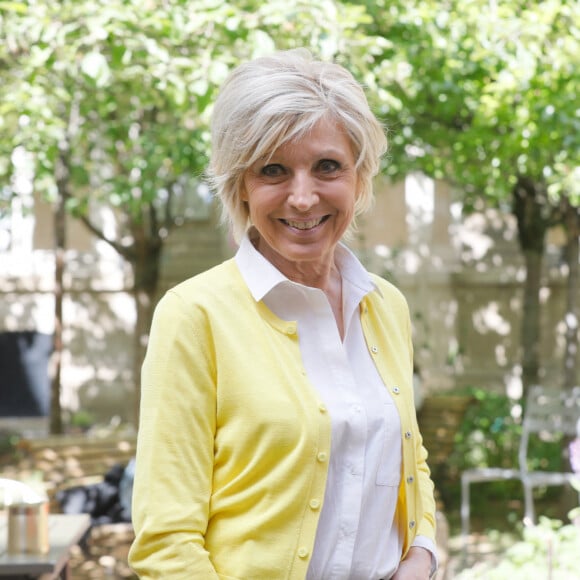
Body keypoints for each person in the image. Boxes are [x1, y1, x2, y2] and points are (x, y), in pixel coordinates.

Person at [128, 48, 437, 580]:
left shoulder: (385, 305)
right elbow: (166, 543)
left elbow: (410, 460)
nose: (301, 197)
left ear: (359, 177)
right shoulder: (194, 316)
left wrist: (423, 554)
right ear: (240, 186)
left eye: (327, 166)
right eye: (272, 169)